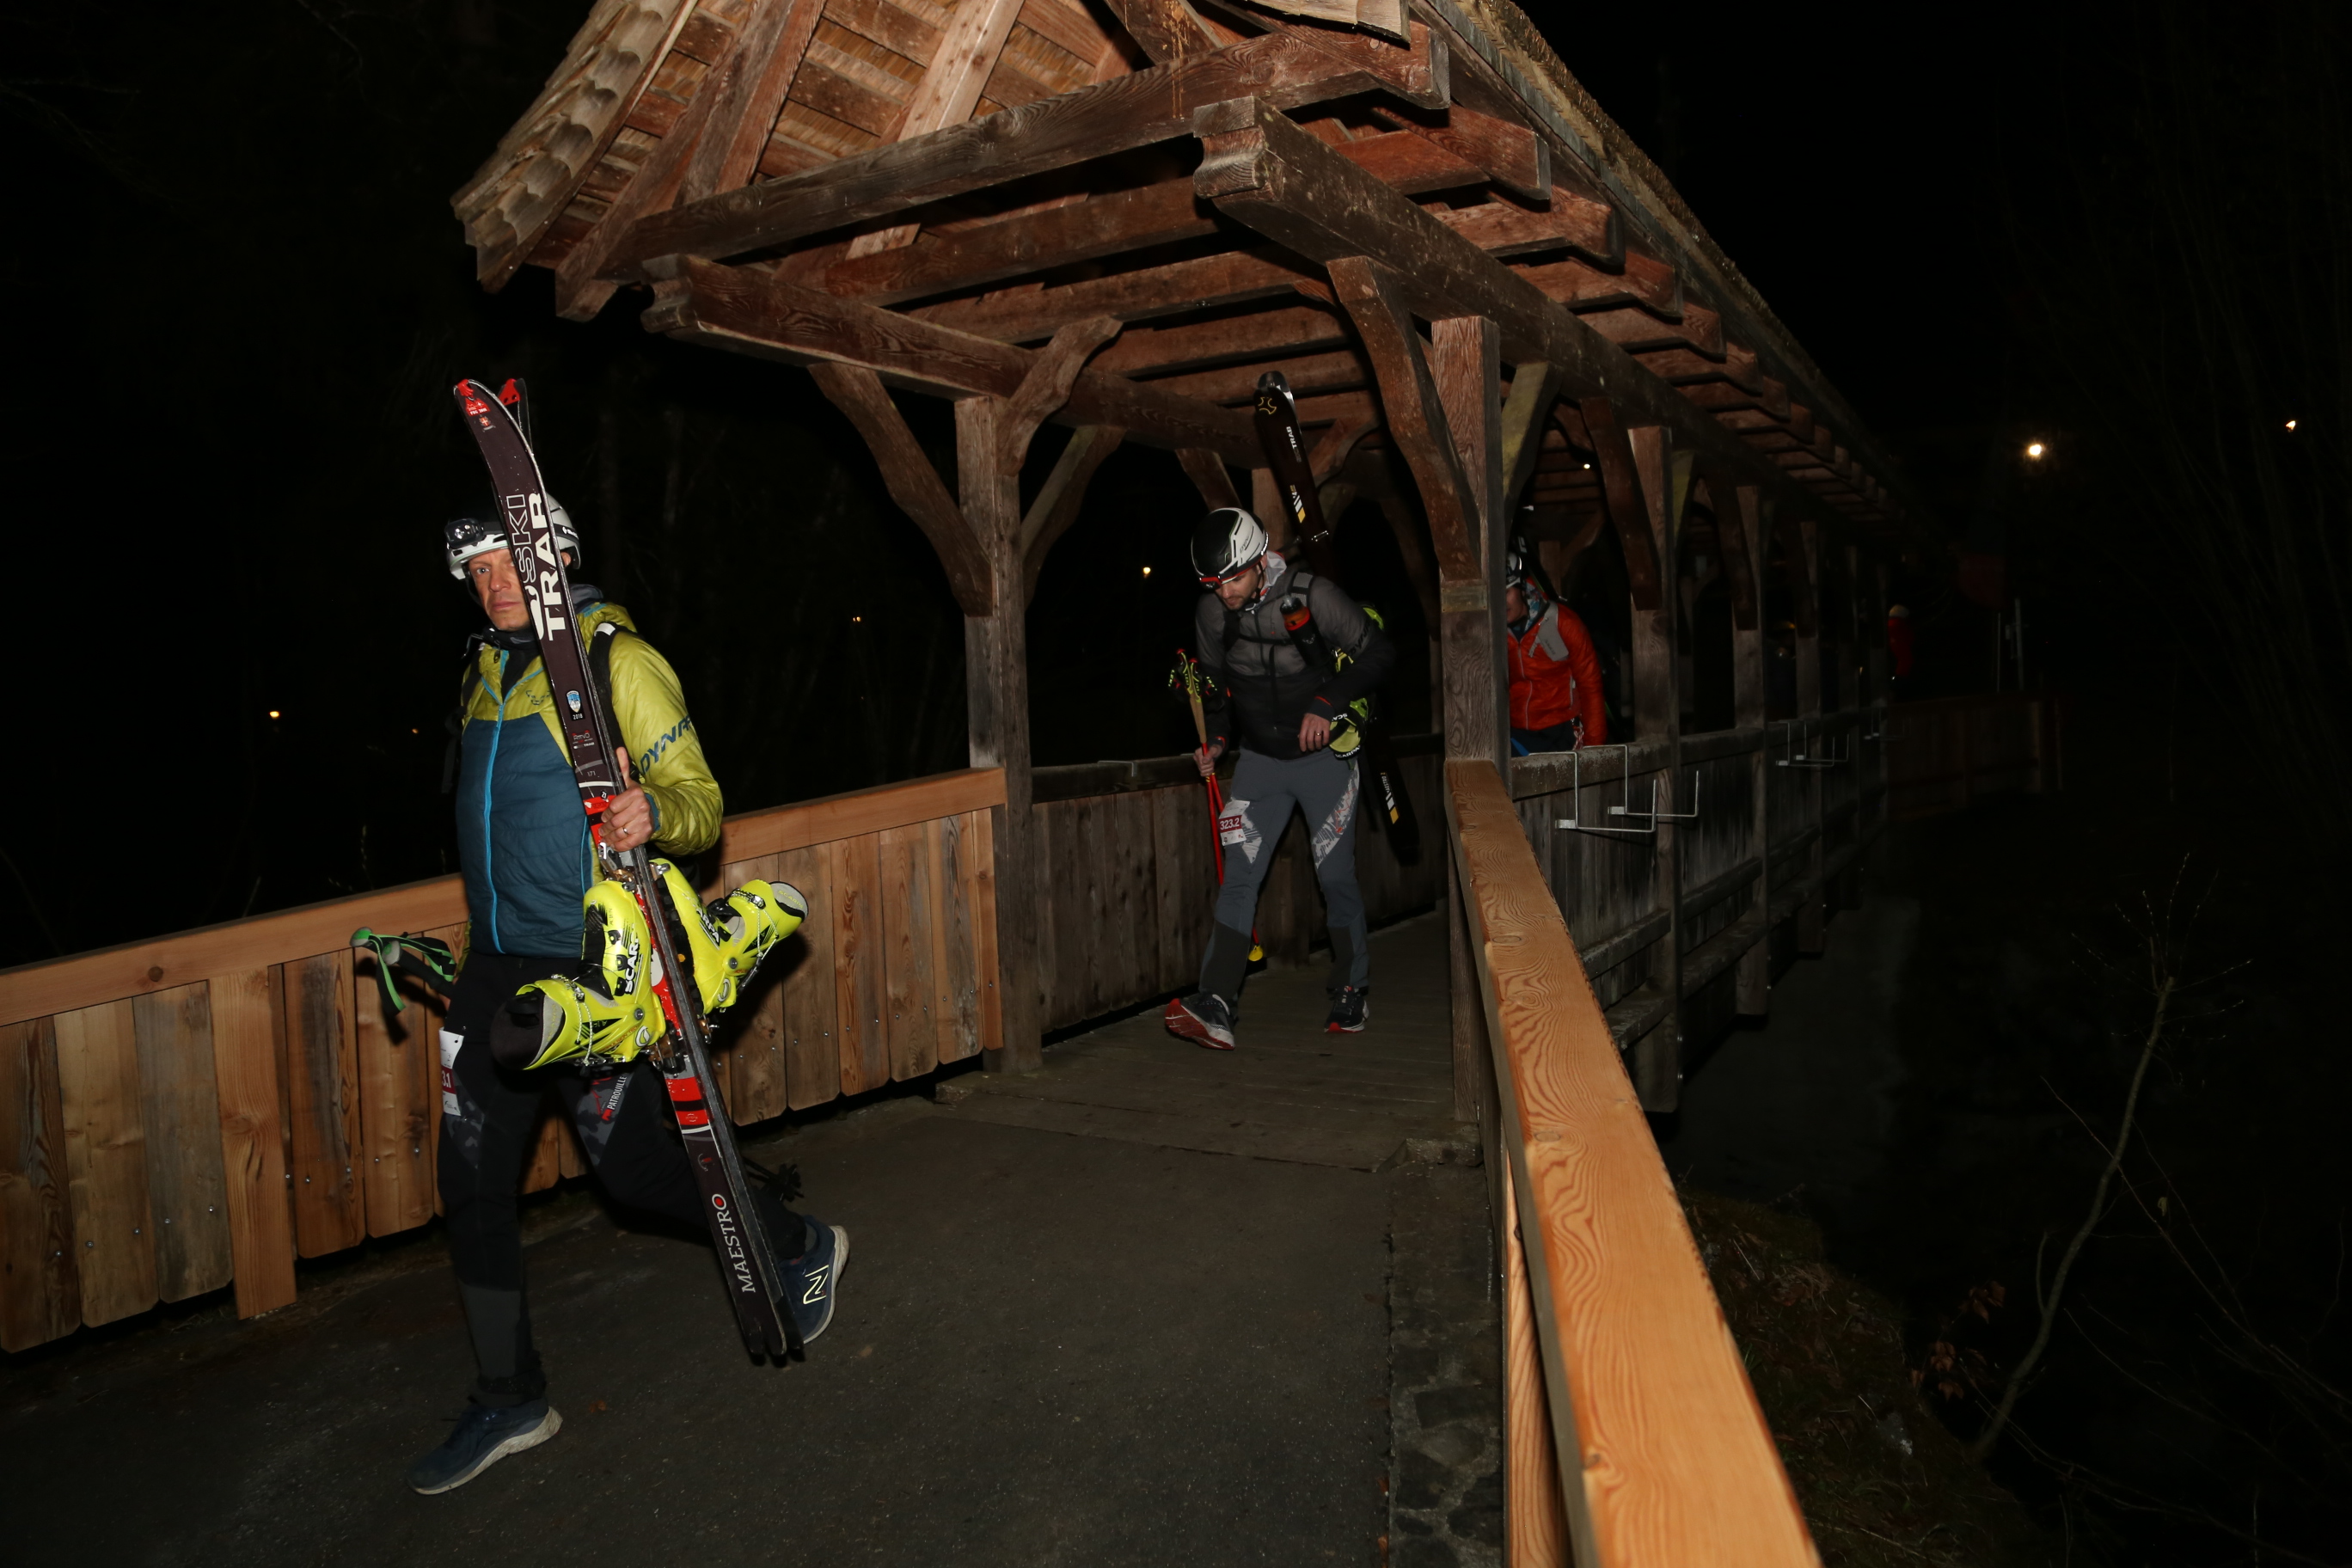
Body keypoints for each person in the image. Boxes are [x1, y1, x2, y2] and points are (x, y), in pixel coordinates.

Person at [408, 504, 846, 1496]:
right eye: (478, 571)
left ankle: (797, 1245)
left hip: (590, 968)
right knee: (469, 1182)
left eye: (510, 562)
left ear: (558, 556)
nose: (494, 583)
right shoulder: (482, 674)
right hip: (495, 969)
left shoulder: (618, 663)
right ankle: (510, 1396)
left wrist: (657, 812)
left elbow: (701, 803)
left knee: (637, 1172)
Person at [1162, 507, 1395, 1050]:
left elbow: (1380, 653)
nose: (1224, 593)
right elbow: (1215, 692)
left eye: (1233, 580)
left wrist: (1328, 701)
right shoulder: (1212, 614)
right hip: (1260, 763)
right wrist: (1216, 741)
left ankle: (1352, 988)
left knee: (1334, 876)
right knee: (1240, 876)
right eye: (1213, 584)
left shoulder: (1314, 596)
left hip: (1324, 760)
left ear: (1258, 561)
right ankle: (1216, 1002)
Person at [1504, 556, 1606, 753]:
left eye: (1506, 592)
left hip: (1563, 732)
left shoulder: (1563, 623)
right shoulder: (1490, 632)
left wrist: (1594, 748)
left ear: (1522, 588)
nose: (1501, 602)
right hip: (1517, 733)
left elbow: (1590, 686)